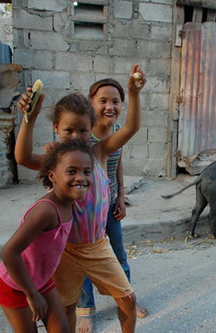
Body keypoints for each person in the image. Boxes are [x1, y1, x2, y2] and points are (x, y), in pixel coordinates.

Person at [15, 64, 146, 333]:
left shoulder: (99, 152)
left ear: (92, 129)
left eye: (83, 131)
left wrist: (133, 93)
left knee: (127, 299)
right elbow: (23, 158)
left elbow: (131, 126)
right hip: (64, 250)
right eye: (68, 131)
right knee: (67, 307)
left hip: (97, 245)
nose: (76, 138)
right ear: (56, 128)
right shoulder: (56, 161)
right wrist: (30, 117)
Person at [0, 139, 94, 332]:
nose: (80, 177)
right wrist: (31, 294)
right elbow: (9, 253)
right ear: (52, 176)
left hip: (41, 280)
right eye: (72, 171)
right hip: (15, 284)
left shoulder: (70, 201)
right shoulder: (46, 210)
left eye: (86, 172)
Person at [77, 78, 148, 333]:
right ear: (91, 103)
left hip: (110, 207)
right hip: (85, 211)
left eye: (115, 101)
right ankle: (85, 311)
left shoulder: (117, 129)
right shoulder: (83, 133)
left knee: (119, 256)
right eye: (103, 101)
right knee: (85, 260)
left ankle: (125, 301)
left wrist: (121, 196)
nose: (110, 106)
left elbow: (117, 162)